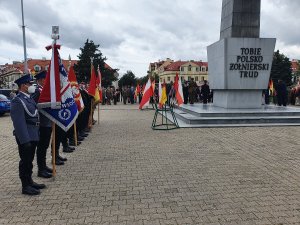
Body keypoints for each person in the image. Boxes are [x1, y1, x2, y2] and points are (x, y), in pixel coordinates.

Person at [10, 74, 45, 195]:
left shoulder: (28, 98)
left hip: (33, 133)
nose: (31, 86)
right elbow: (19, 122)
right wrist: (25, 140)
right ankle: (25, 186)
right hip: (26, 136)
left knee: (29, 160)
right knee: (25, 161)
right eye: (29, 84)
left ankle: (30, 181)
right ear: (23, 86)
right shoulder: (17, 100)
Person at [31, 71, 53, 178]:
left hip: (48, 122)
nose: (47, 81)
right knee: (41, 146)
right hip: (42, 124)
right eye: (45, 79)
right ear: (40, 80)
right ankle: (41, 169)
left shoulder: (44, 90)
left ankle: (43, 166)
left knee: (45, 146)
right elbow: (34, 107)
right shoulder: (37, 91)